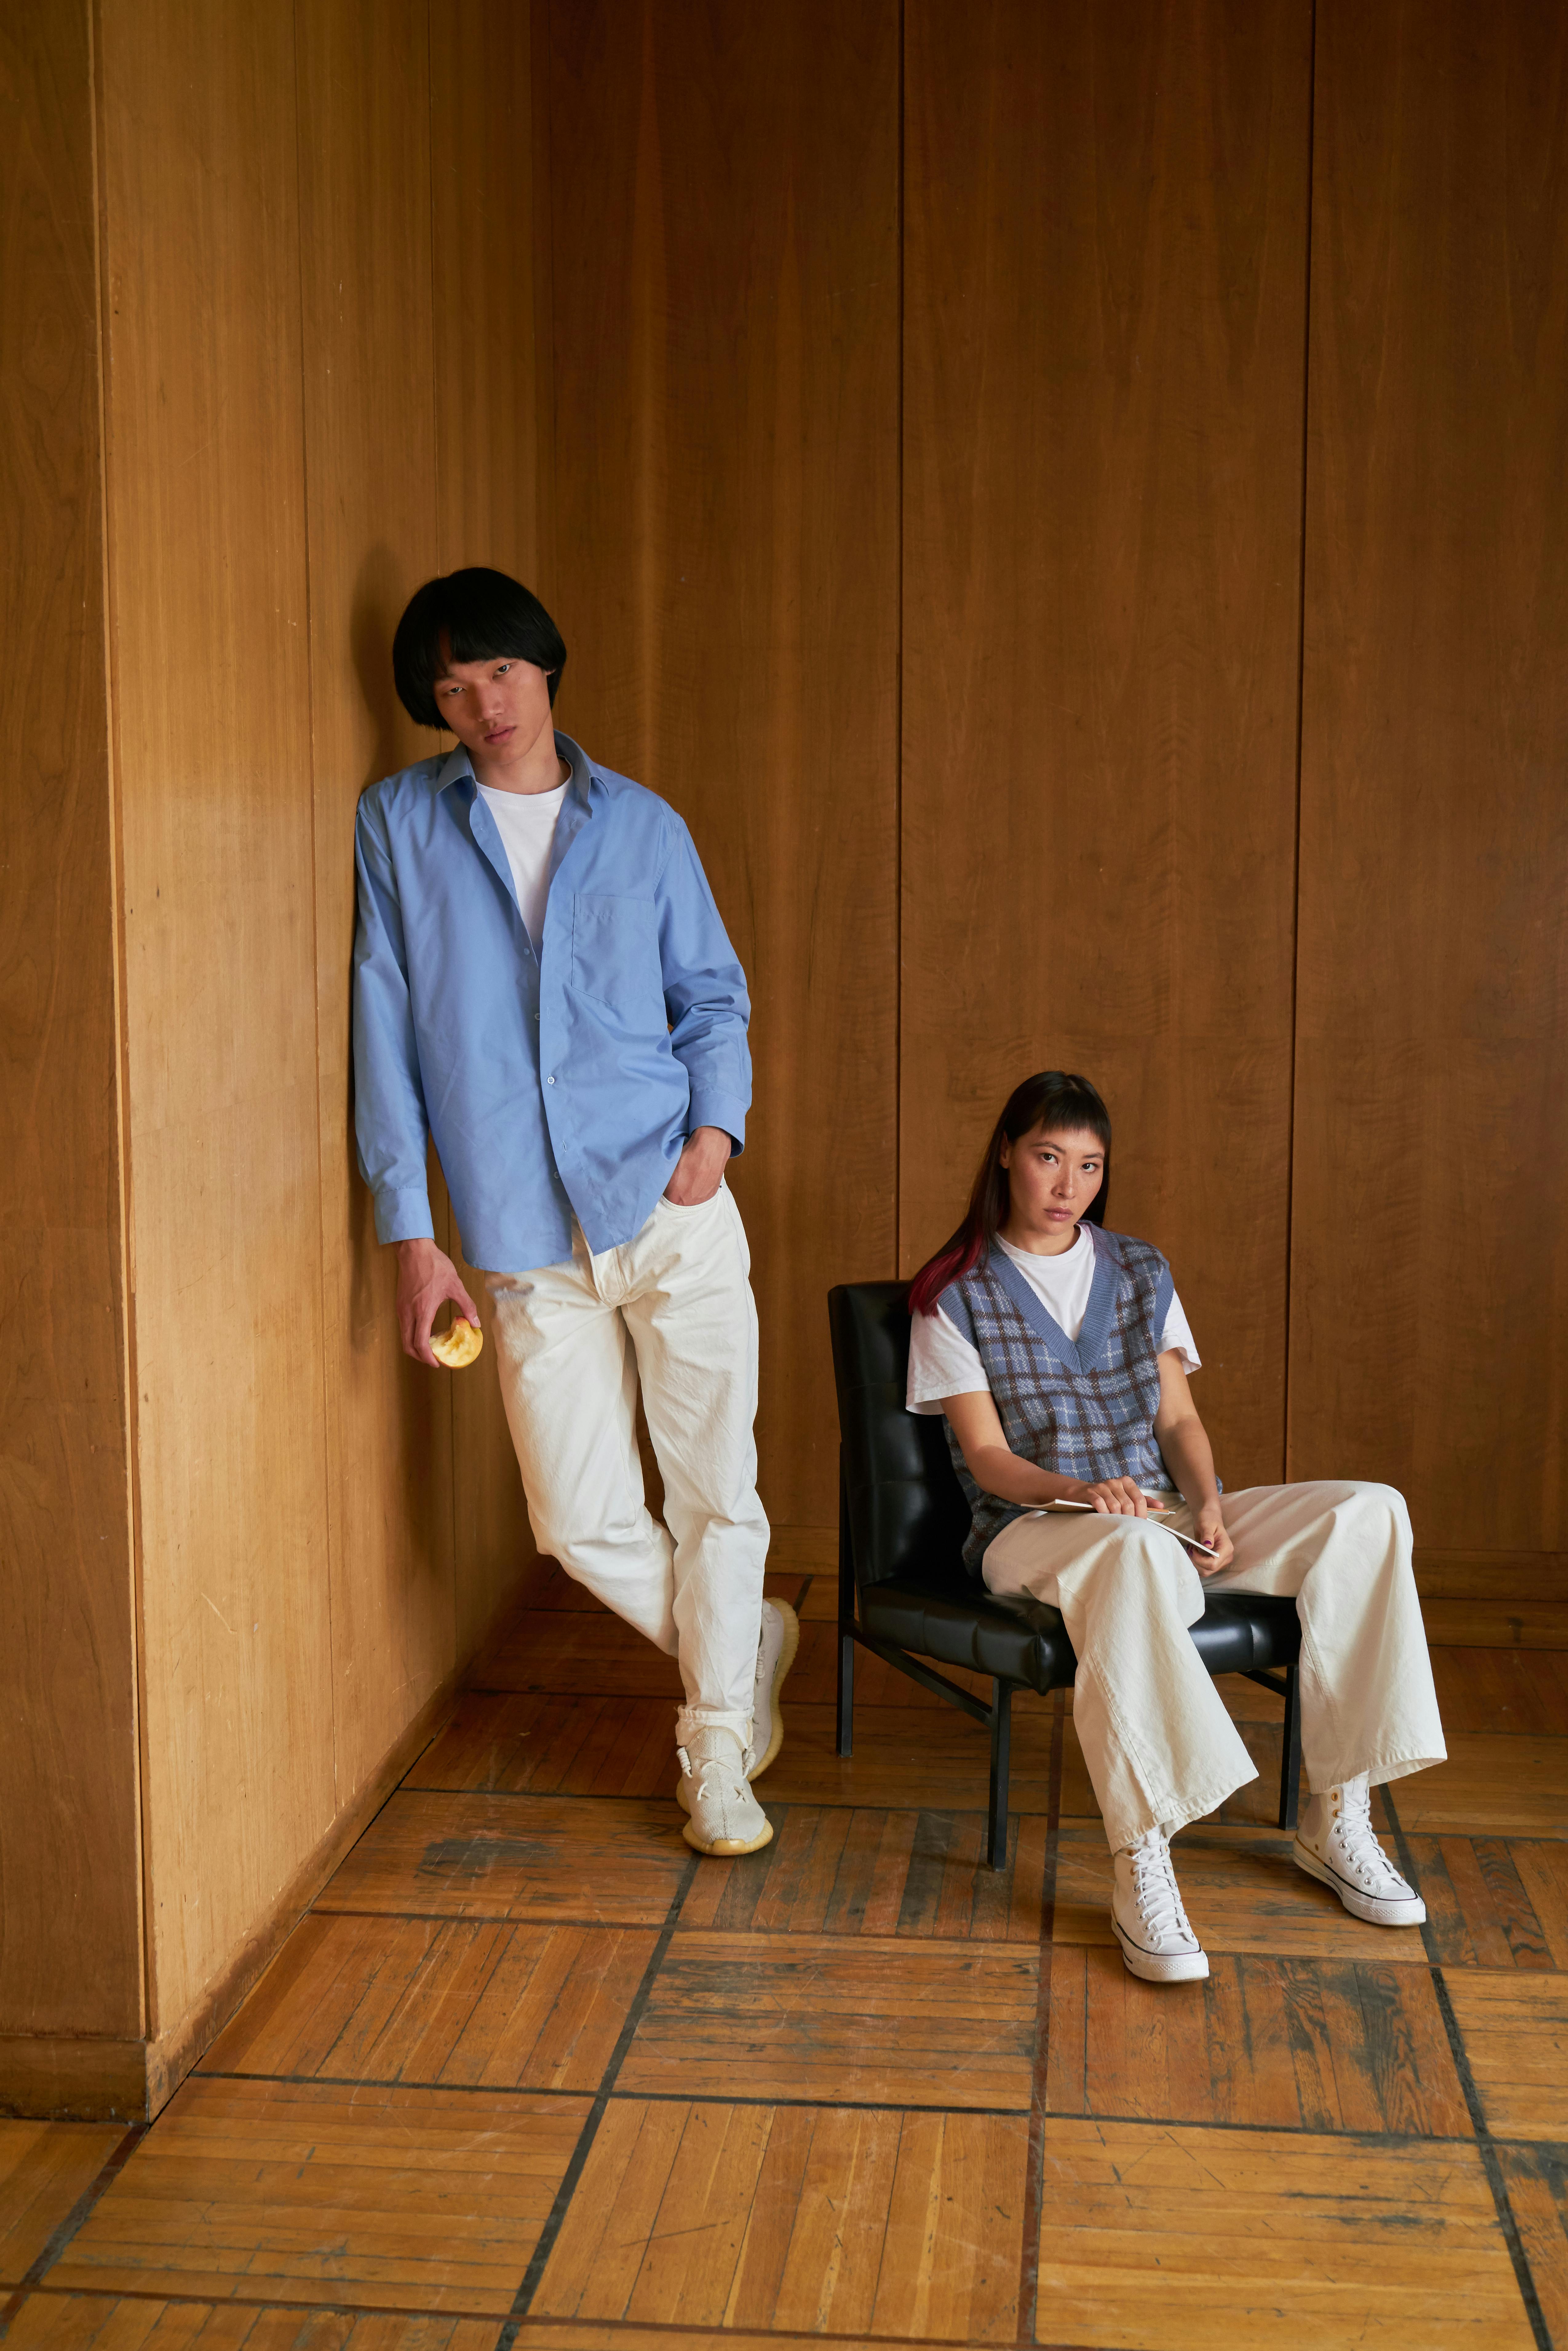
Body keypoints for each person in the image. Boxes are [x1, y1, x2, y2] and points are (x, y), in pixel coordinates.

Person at [352, 566, 796, 1858]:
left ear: (543, 664)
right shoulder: (399, 825)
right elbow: (383, 1024)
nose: (481, 703)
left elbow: (715, 997)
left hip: (668, 1204)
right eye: (449, 687)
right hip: (515, 1232)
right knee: (578, 1519)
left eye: (496, 670)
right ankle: (745, 1635)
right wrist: (409, 1229)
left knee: (719, 1493)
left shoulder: (646, 828)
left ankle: (713, 1750)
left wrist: (714, 1133)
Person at [905, 1070, 1445, 1984]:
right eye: (1047, 1158)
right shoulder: (951, 1293)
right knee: (1128, 1550)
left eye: (1087, 1164)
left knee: (1369, 1509)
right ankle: (1140, 1858)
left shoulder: (1140, 1270)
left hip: (1158, 1516)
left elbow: (1178, 1423)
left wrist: (1205, 1502)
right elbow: (989, 1462)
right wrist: (1081, 1493)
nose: (1066, 1184)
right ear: (1007, 1154)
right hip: (1031, 1526)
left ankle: (1339, 1815)